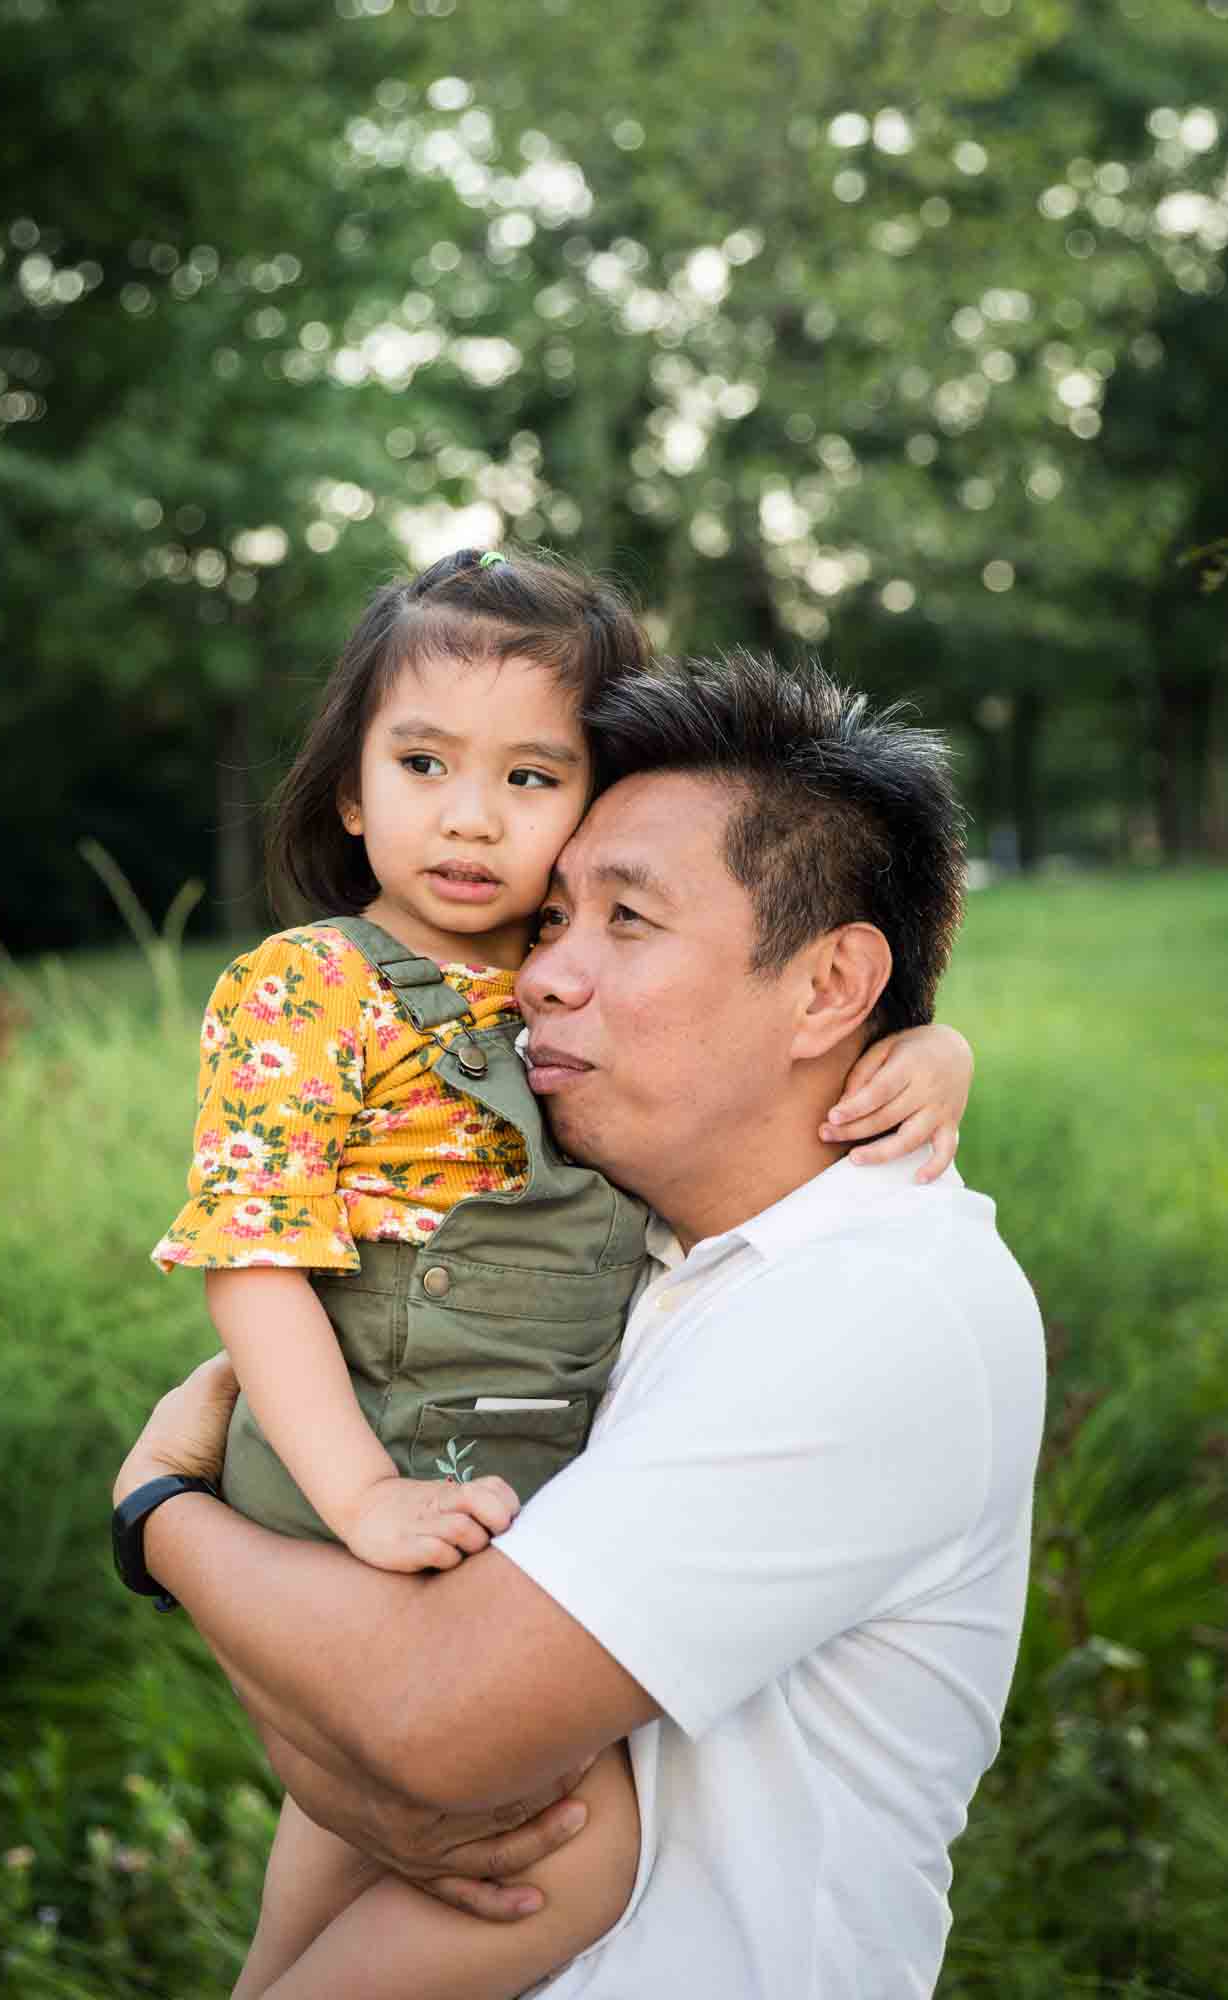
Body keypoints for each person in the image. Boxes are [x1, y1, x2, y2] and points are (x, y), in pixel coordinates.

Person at [119, 641, 1018, 1999]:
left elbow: (422, 1730)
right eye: (550, 921)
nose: (537, 979)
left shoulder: (868, 1302)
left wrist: (156, 1512)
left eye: (627, 923)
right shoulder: (638, 1226)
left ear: (830, 989)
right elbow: (344, 1726)